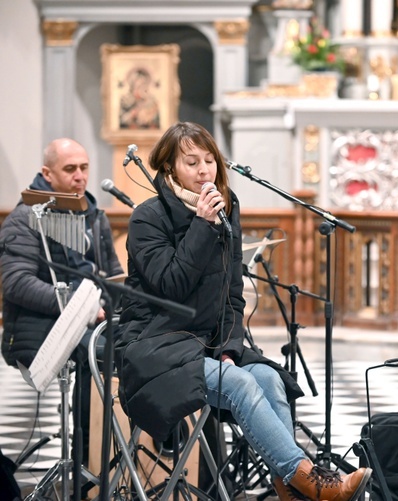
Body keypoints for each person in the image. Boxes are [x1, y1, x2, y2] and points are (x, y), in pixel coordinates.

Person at [113, 122, 371, 501]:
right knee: (240, 384)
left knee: (268, 378)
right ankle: (309, 480)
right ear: (169, 168)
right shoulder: (148, 218)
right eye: (191, 162)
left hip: (208, 343)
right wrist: (201, 225)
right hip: (155, 345)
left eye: (209, 161)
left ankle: (292, 490)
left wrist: (230, 350)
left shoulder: (227, 209)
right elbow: (171, 285)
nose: (204, 171)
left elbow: (233, 294)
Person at [0, 138, 122, 464]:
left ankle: (121, 456)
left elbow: (112, 275)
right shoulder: (27, 217)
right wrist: (77, 307)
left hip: (91, 320)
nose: (80, 176)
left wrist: (115, 306)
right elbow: (16, 284)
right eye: (70, 169)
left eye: (84, 168)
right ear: (47, 173)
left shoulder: (94, 216)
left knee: (133, 347)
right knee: (98, 355)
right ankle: (87, 462)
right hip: (37, 329)